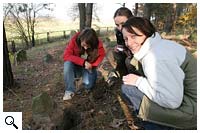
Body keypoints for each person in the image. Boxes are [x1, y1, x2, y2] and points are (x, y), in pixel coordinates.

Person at [121, 17, 197, 129]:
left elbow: (172, 102)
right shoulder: (159, 45)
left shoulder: (155, 58)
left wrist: (139, 82)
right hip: (189, 100)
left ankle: (158, 126)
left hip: (192, 111)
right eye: (126, 39)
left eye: (134, 36)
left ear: (146, 33)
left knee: (128, 89)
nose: (129, 43)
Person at [63, 28, 105, 100]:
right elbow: (66, 56)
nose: (85, 48)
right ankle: (69, 90)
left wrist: (93, 65)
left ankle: (86, 81)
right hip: (76, 66)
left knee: (89, 86)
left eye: (88, 46)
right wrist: (83, 62)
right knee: (67, 64)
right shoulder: (74, 40)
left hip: (89, 68)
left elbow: (101, 55)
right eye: (84, 44)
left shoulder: (97, 43)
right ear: (81, 38)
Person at [109, 7, 143, 83]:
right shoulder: (118, 32)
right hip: (128, 52)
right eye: (117, 25)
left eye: (123, 24)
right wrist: (119, 48)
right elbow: (121, 44)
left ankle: (137, 79)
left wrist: (130, 53)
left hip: (140, 55)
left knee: (129, 61)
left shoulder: (140, 30)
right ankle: (123, 75)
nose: (120, 28)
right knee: (116, 53)